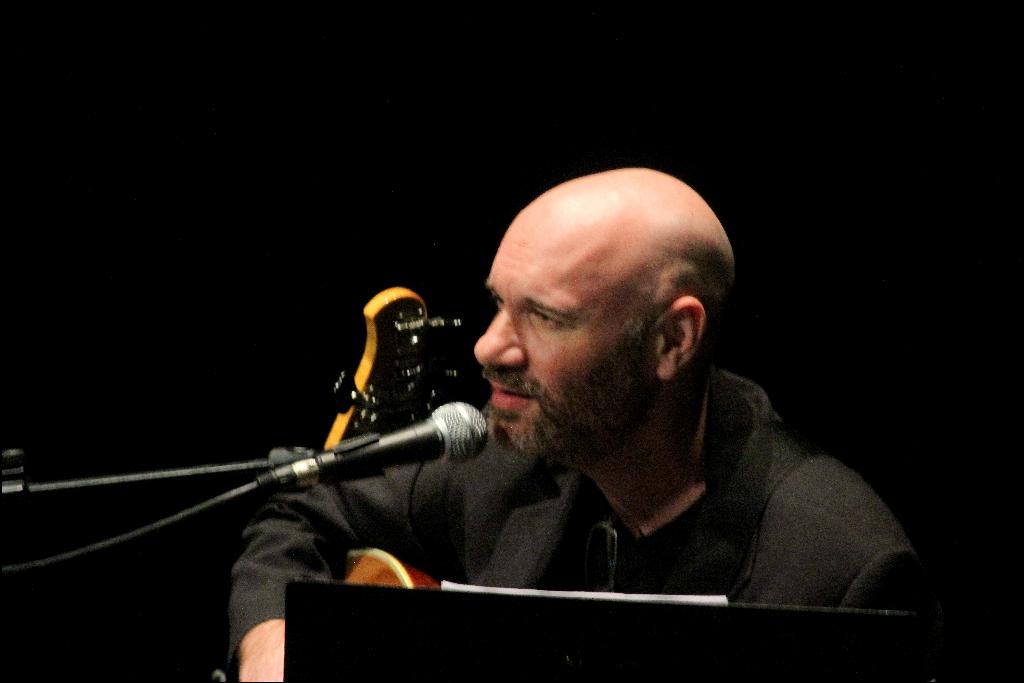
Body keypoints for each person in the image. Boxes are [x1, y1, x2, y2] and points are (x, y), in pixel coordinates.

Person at [228, 167, 942, 680]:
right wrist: (270, 642)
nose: (488, 347)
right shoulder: (503, 457)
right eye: (498, 304)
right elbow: (300, 507)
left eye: (546, 317)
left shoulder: (838, 569)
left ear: (673, 341)